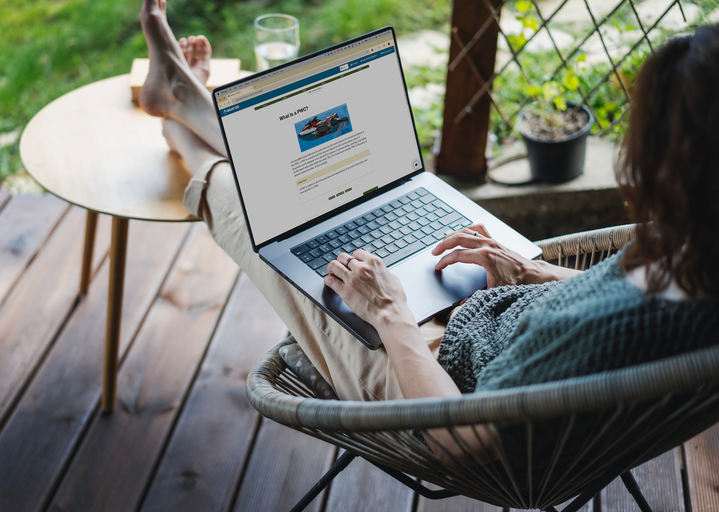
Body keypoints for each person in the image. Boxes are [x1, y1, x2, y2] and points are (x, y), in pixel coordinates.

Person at [139, 0, 718, 457]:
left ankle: (186, 124)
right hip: (492, 316)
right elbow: (611, 301)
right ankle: (187, 110)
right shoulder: (697, 250)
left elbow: (460, 440)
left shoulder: (603, 335)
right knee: (317, 197)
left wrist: (389, 311)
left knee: (262, 217)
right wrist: (531, 272)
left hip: (436, 385)